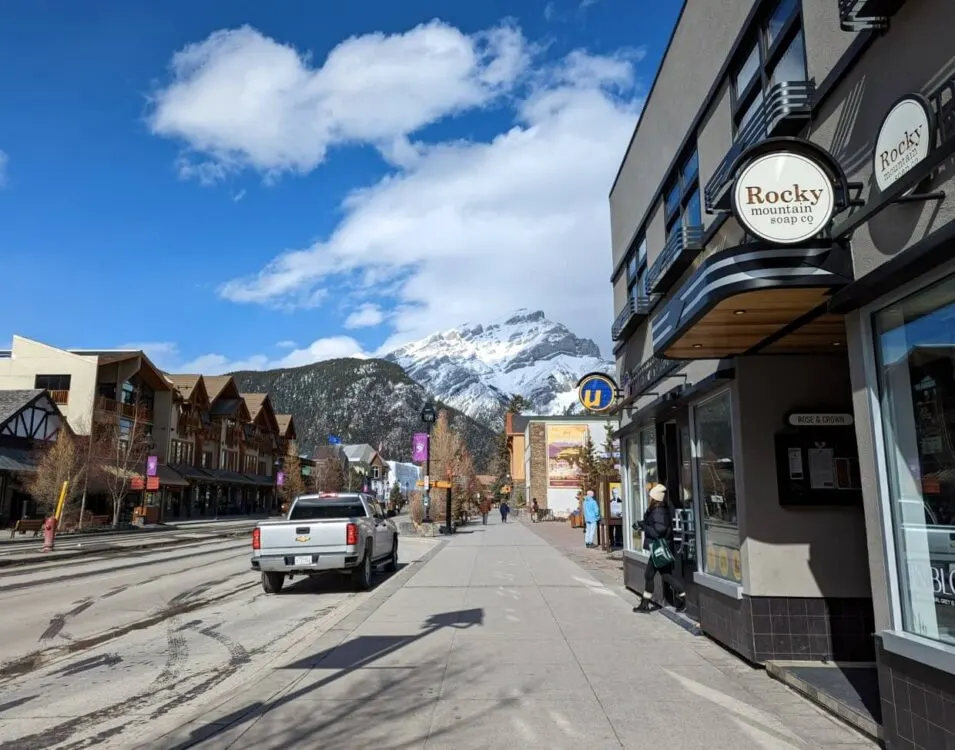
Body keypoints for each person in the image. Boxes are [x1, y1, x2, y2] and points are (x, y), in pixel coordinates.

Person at [633, 484, 686, 613]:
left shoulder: (658, 511)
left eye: (650, 496)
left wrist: (643, 525)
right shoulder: (658, 510)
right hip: (659, 547)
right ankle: (683, 597)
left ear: (654, 498)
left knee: (649, 575)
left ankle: (644, 604)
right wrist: (643, 524)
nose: (649, 498)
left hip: (658, 548)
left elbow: (658, 531)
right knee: (665, 575)